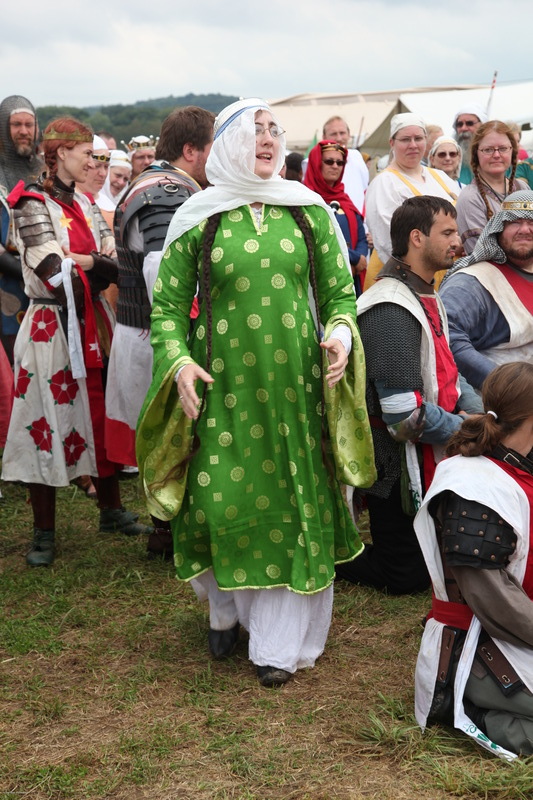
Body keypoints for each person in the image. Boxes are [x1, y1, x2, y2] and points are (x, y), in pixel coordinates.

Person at [136, 98, 375, 686]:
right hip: (221, 389)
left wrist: (341, 333)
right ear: (228, 144)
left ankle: (275, 646)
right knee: (219, 500)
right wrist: (178, 363)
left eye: (275, 130)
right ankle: (223, 608)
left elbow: (339, 295)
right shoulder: (199, 216)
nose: (268, 138)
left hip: (297, 390)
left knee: (289, 505)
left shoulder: (309, 212)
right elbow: (167, 311)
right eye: (255, 130)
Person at [2, 117, 151, 567]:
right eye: (87, 153)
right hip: (51, 326)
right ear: (60, 153)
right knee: (43, 417)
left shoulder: (85, 203)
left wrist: (85, 261)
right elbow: (53, 272)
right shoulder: (31, 205)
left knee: (101, 412)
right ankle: (43, 532)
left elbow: (118, 265)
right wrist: (91, 264)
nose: (94, 162)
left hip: (94, 321)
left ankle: (111, 510)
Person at [336, 196, 482, 595]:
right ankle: (329, 553)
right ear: (417, 238)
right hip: (396, 464)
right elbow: (402, 417)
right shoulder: (390, 308)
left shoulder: (424, 294)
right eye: (447, 233)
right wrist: (467, 429)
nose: (457, 241)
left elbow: (448, 371)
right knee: (407, 576)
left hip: (433, 444)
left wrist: (477, 413)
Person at [106, 106, 215, 558]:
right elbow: (161, 271)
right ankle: (168, 531)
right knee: (171, 432)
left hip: (144, 332)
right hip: (157, 336)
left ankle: (167, 529)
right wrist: (185, 332)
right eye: (212, 147)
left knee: (171, 432)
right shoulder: (167, 193)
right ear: (191, 149)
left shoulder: (160, 184)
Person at [415, 361, 533, 759]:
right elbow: (495, 604)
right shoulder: (474, 488)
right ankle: (473, 712)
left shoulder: (517, 464)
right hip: (482, 644)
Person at [440, 190, 533, 391]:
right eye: (515, 222)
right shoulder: (471, 282)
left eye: (531, 222)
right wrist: (506, 384)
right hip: (496, 400)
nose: (525, 229)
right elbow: (447, 337)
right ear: (499, 228)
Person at [364, 113, 459, 290]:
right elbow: (388, 241)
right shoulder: (384, 183)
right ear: (392, 143)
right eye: (405, 139)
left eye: (418, 138)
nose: (413, 145)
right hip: (407, 278)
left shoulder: (439, 177)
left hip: (446, 273)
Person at [0, 95, 43, 362]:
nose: (24, 131)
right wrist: (25, 271)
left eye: (29, 124)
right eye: (16, 125)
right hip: (6, 289)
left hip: (44, 288)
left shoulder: (44, 171)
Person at [303, 140, 367, 294]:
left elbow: (361, 238)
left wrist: (360, 258)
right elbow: (316, 239)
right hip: (321, 276)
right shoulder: (305, 200)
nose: (335, 166)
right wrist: (353, 258)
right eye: (329, 161)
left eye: (340, 162)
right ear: (317, 164)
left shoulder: (344, 199)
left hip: (351, 276)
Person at [455, 121, 527, 255]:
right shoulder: (470, 198)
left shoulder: (522, 188)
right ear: (476, 154)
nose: (496, 155)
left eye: (503, 148)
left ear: (512, 151)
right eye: (488, 150)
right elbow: (482, 254)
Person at [321, 116, 369, 215]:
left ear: (349, 134)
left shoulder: (356, 157)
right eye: (333, 134)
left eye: (342, 133)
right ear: (324, 137)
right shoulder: (315, 161)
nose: (339, 138)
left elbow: (364, 191)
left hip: (358, 219)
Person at [453, 104, 487, 185]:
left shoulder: (496, 157)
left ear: (482, 127)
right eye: (459, 124)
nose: (463, 128)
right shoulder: (450, 158)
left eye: (469, 123)